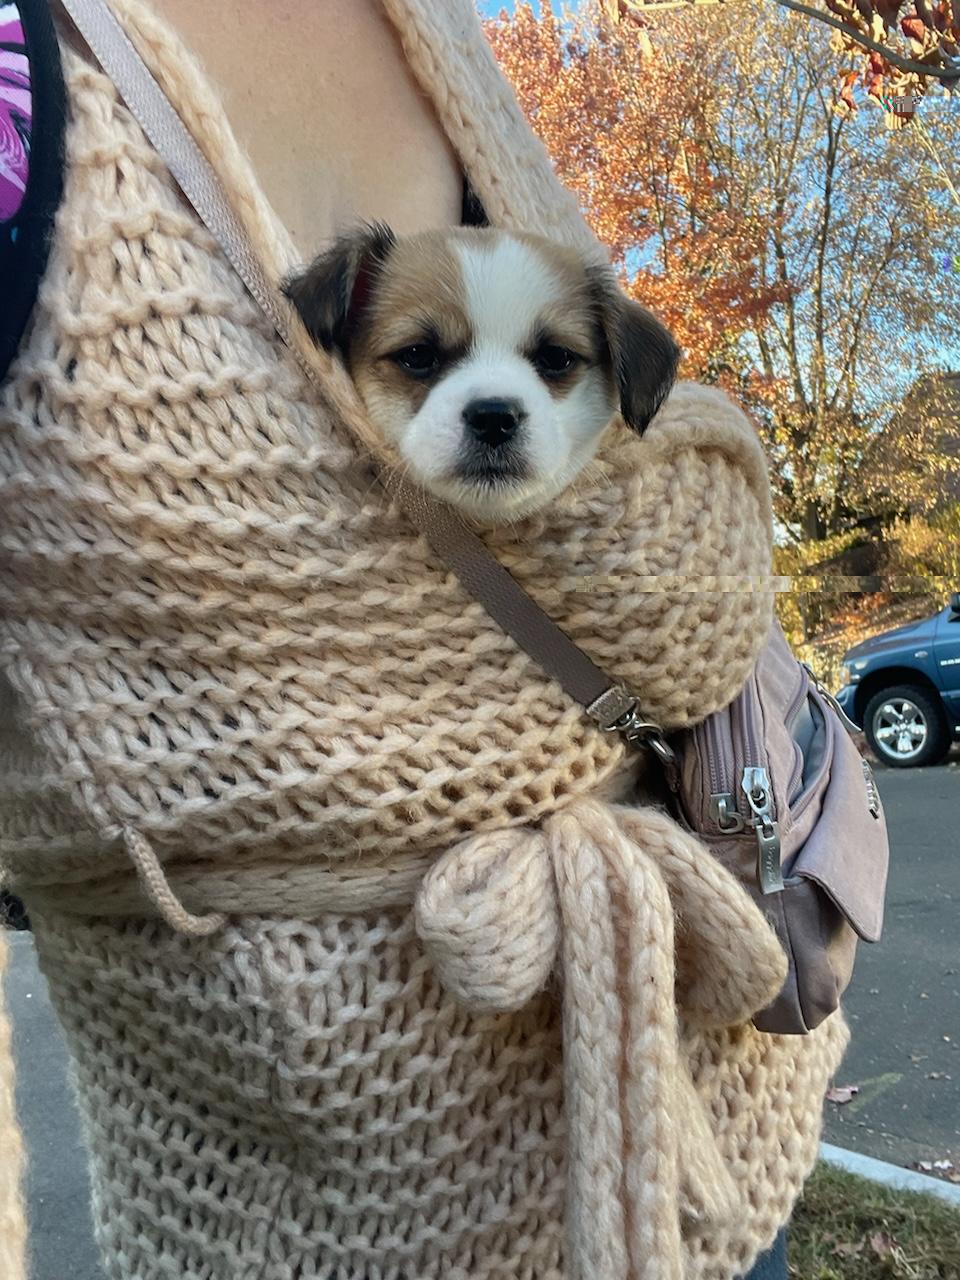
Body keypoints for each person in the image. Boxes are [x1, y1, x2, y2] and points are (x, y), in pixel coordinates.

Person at [0, 2, 848, 1277]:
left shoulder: (438, 34)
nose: (495, 400)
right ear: (342, 339)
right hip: (322, 1187)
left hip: (706, 1130)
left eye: (552, 364)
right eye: (423, 359)